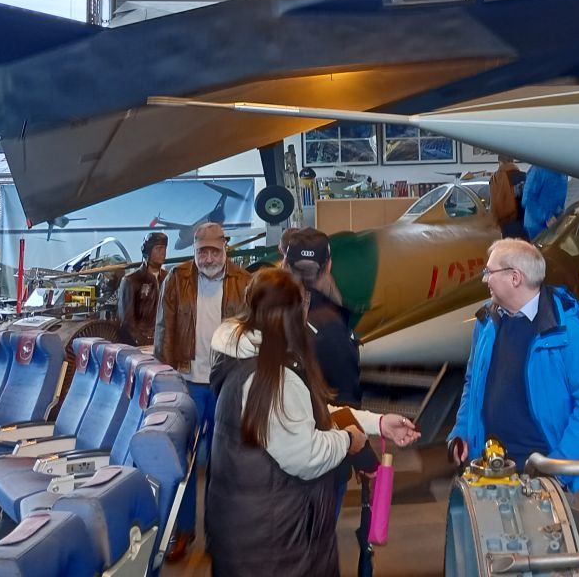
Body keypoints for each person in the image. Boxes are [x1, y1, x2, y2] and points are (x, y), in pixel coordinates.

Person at [206, 267, 420, 577]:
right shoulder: (271, 378)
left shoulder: (249, 358)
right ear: (292, 312)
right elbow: (306, 454)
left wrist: (378, 423)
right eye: (304, 301)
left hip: (254, 535)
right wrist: (348, 440)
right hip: (277, 545)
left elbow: (302, 416)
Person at [447, 238, 579, 489]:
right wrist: (461, 433)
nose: (484, 279)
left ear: (515, 278)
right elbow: (472, 383)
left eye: (489, 272)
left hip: (543, 473)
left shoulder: (573, 336)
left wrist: (557, 467)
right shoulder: (486, 322)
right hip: (490, 465)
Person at [154, 221, 251, 555]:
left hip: (227, 384)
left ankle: (218, 532)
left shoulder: (244, 282)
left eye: (214, 251)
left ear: (225, 248)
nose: (208, 258)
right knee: (185, 459)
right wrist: (167, 381)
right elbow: (163, 331)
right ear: (194, 250)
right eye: (202, 252)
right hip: (187, 383)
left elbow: (251, 334)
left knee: (224, 461)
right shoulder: (176, 279)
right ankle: (183, 530)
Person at [281, 226, 361, 405]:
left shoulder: (262, 313)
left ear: (285, 263)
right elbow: (346, 403)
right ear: (328, 266)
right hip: (316, 419)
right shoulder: (333, 329)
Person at [117, 231, 167, 346]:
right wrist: (142, 343)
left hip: (164, 343)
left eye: (164, 248)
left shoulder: (168, 278)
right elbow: (127, 322)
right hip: (140, 346)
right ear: (148, 251)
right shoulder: (131, 281)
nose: (163, 252)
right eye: (158, 248)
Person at [522, 165, 568, 240]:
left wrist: (561, 213)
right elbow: (527, 199)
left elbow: (560, 198)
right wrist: (547, 217)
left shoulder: (563, 172)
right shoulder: (538, 170)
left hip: (555, 223)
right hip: (537, 226)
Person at [489, 156, 526, 238]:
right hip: (524, 221)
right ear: (513, 161)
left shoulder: (495, 179)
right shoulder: (524, 176)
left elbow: (494, 204)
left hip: (506, 223)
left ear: (500, 162)